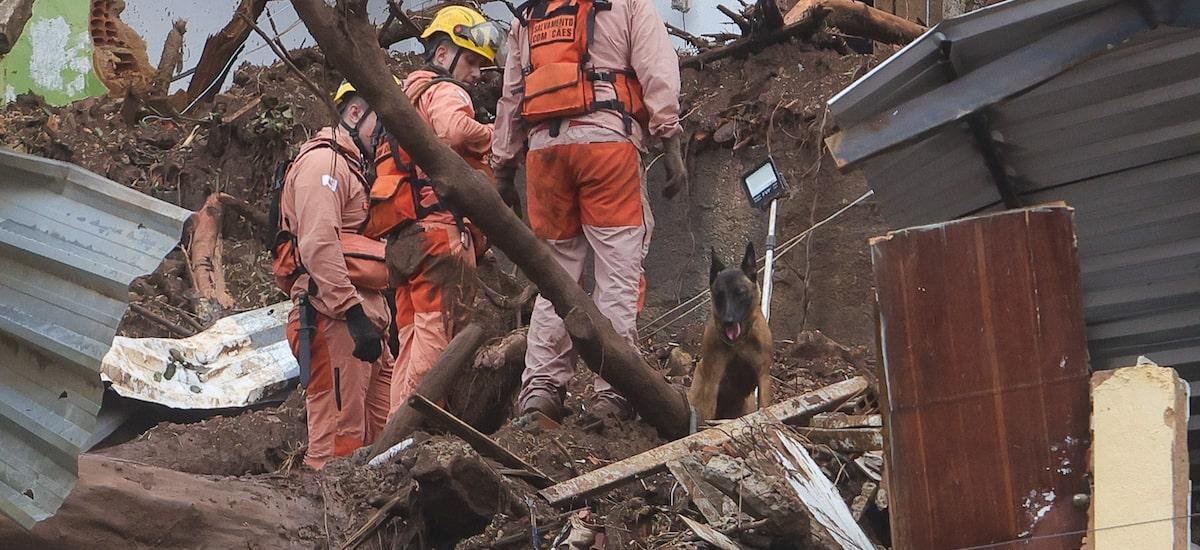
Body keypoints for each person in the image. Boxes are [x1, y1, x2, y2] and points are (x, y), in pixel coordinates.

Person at [492, 0, 687, 422]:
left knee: (555, 276)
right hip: (606, 146)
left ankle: (542, 387)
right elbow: (657, 65)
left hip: (545, 155)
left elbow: (511, 94)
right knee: (616, 273)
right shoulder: (629, 3)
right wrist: (669, 140)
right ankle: (611, 393)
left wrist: (504, 166)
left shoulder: (530, 13)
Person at [361, 5, 505, 416]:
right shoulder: (445, 91)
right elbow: (454, 130)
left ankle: (395, 430)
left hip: (406, 237)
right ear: (443, 54)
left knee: (410, 337)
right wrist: (498, 135)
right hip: (440, 234)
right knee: (434, 337)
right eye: (473, 61)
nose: (478, 74)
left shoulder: (407, 96)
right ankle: (410, 433)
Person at [274, 83, 393, 469]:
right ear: (356, 114)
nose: (387, 137)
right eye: (382, 125)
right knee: (337, 444)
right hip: (333, 320)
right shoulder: (324, 165)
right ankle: (323, 523)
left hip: (362, 322)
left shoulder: (350, 167)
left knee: (379, 436)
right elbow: (319, 244)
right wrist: (353, 314)